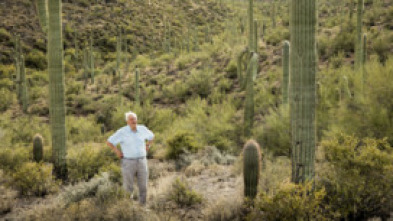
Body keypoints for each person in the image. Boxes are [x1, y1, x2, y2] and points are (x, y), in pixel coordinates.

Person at [106, 111, 154, 205]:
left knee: (143, 185)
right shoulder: (122, 132)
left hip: (142, 160)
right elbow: (109, 142)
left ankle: (142, 205)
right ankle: (128, 207)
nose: (133, 121)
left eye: (135, 119)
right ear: (127, 121)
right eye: (131, 119)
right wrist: (117, 151)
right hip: (128, 162)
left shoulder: (142, 129)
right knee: (128, 186)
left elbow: (152, 136)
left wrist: (148, 146)